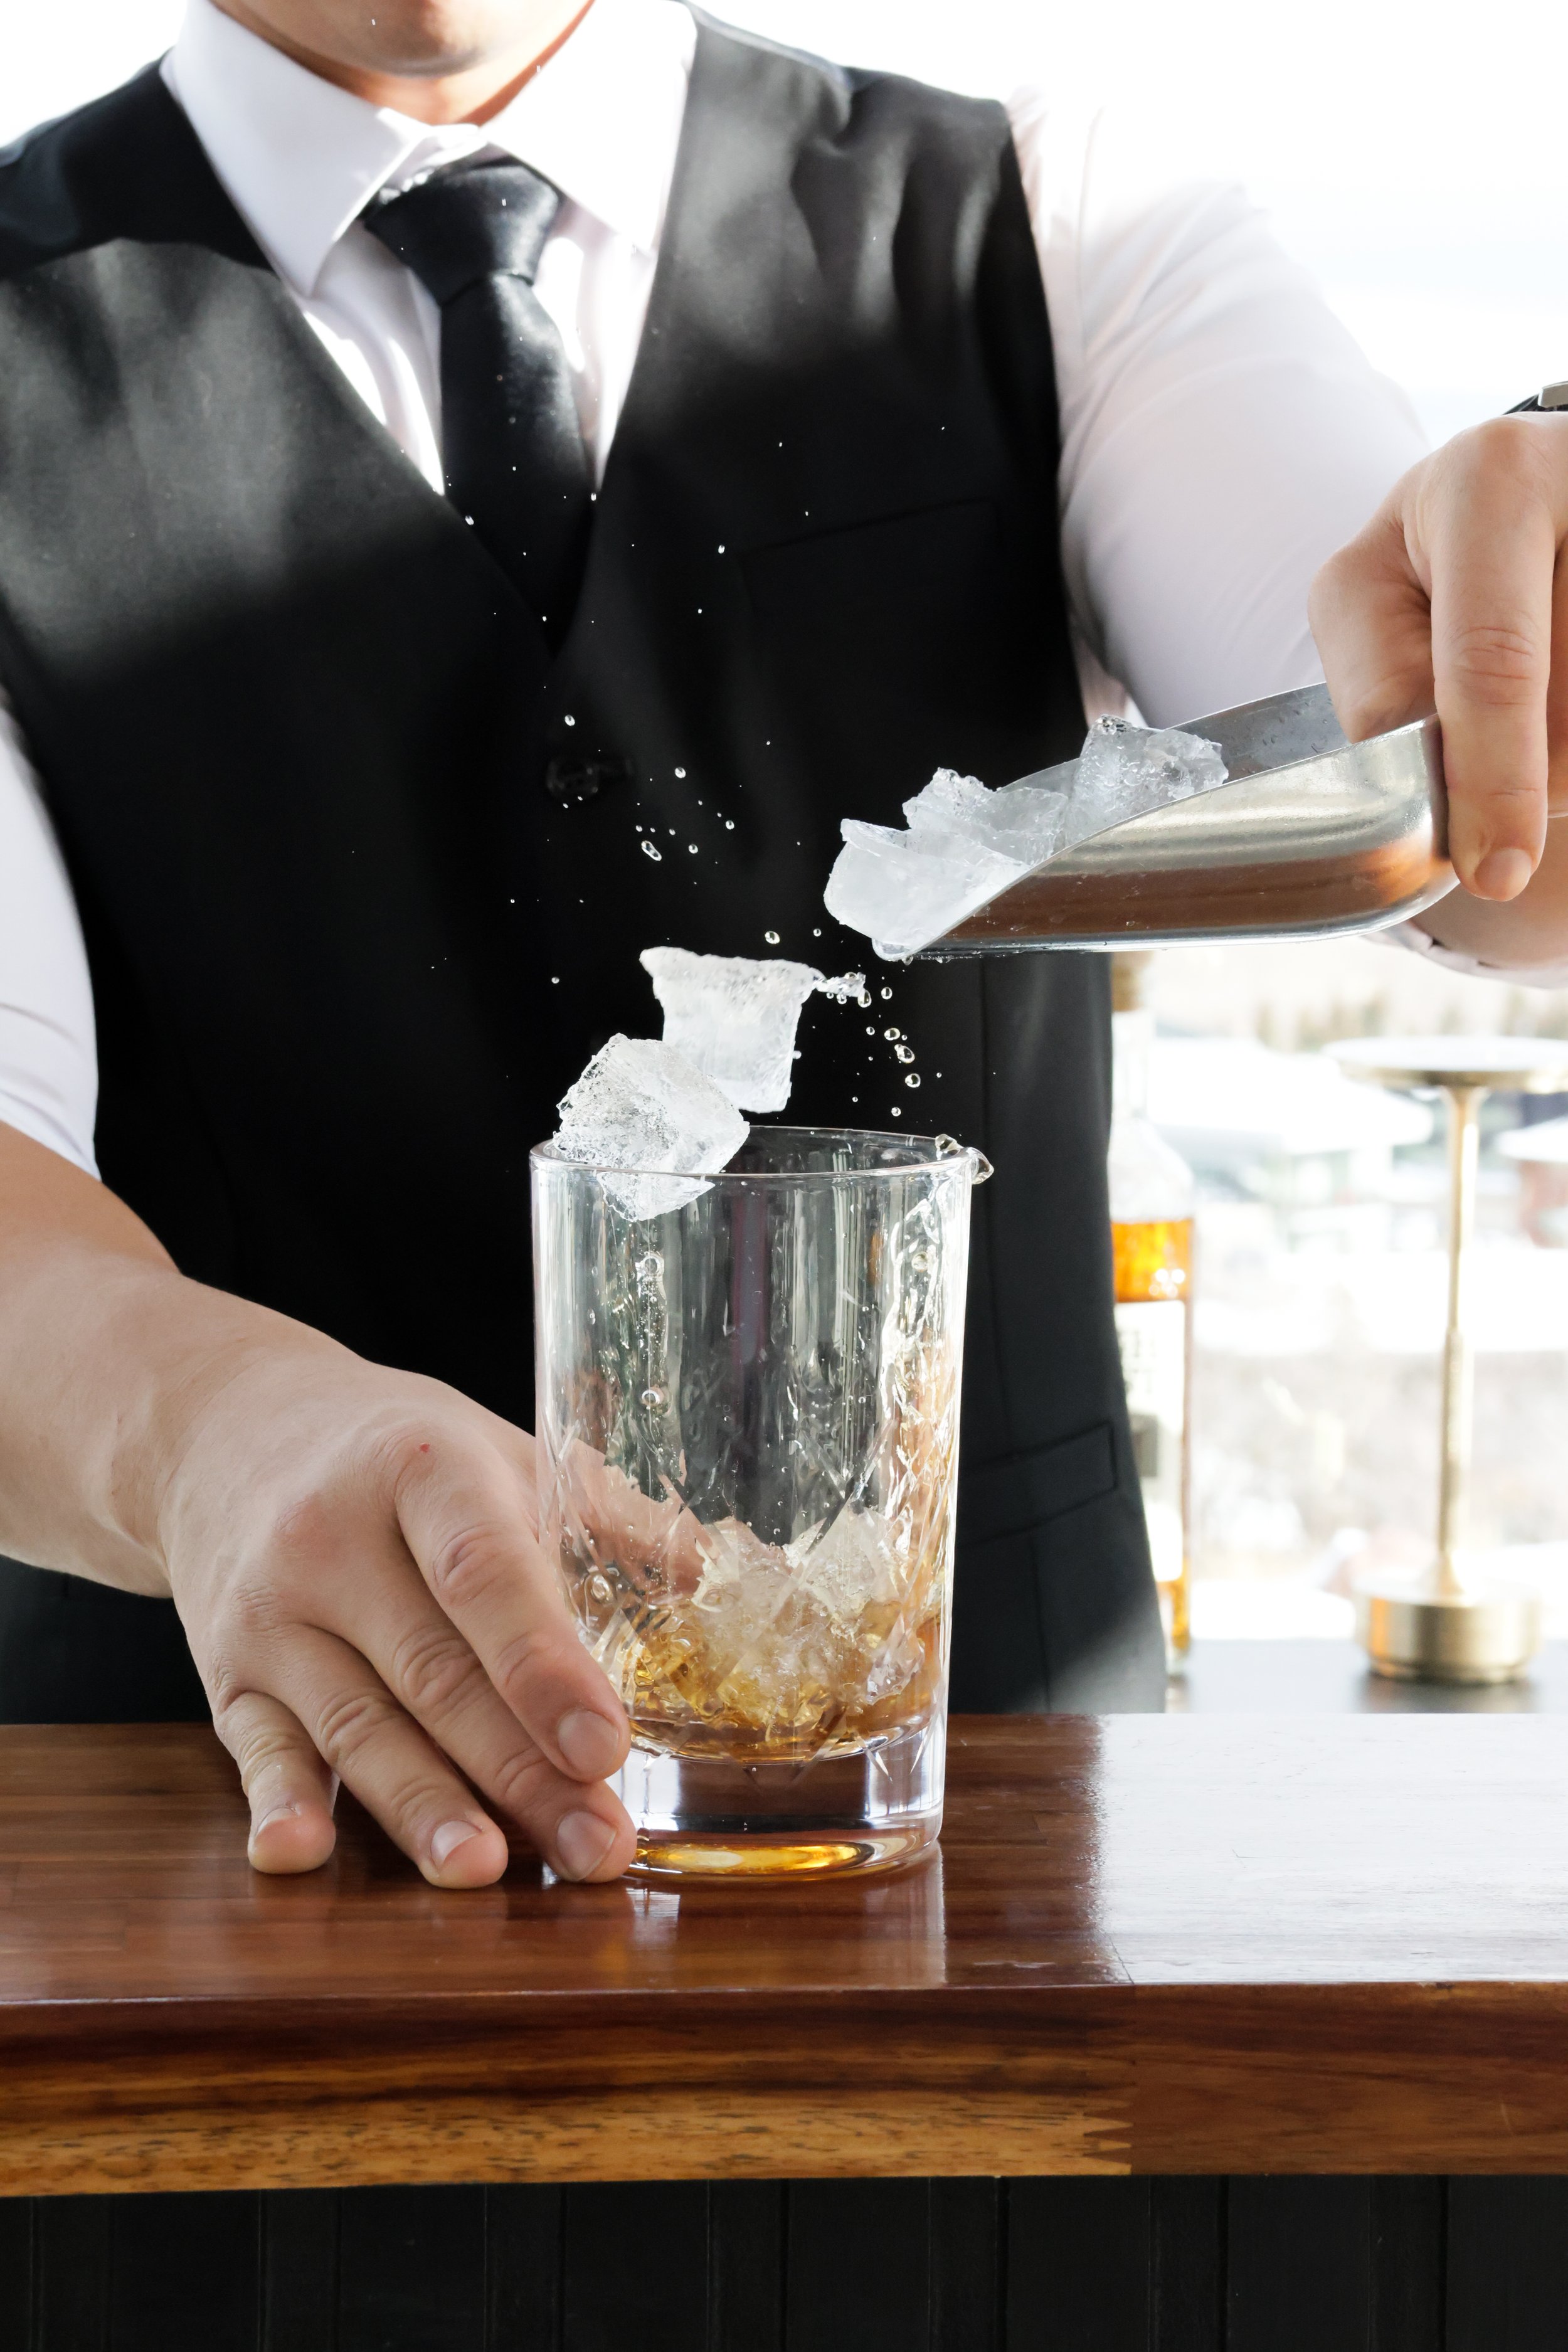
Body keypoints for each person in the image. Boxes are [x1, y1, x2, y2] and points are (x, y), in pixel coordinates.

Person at [0, 0, 1562, 1891]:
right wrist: (197, 1432)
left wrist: (1530, 602)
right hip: (216, 1885)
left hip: (984, 1878)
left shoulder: (1055, 222)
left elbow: (1468, 827)